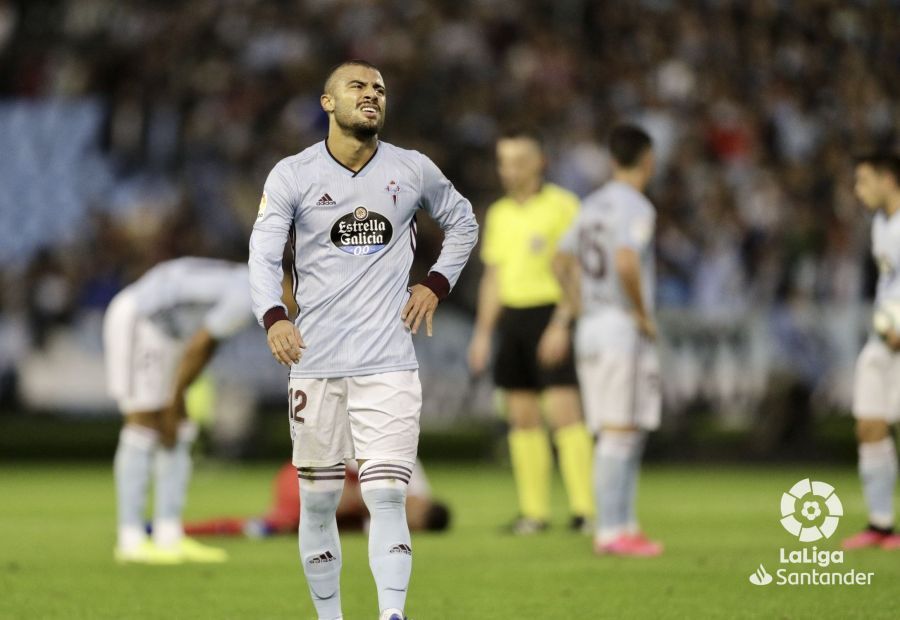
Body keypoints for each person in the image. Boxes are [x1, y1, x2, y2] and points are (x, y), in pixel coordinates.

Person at [248, 59, 478, 620]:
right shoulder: (293, 174)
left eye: (379, 88)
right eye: (358, 87)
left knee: (387, 495)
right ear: (328, 103)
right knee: (320, 500)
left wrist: (435, 282)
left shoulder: (412, 169)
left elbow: (464, 220)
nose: (372, 94)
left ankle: (392, 615)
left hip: (388, 364)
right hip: (316, 362)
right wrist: (275, 316)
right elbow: (262, 251)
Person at [467, 129, 594, 535]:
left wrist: (562, 322)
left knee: (564, 412)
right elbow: (494, 276)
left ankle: (585, 510)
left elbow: (576, 272)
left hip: (551, 312)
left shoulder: (563, 206)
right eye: (504, 161)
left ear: (540, 162)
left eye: (519, 161)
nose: (510, 170)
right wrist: (484, 333)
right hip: (514, 319)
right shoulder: (501, 213)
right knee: (522, 417)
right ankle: (534, 513)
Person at [552, 124, 664, 556]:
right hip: (619, 326)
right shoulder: (636, 206)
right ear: (648, 159)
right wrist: (640, 312)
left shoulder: (591, 204)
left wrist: (577, 302)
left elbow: (560, 259)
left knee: (621, 430)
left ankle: (625, 524)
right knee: (619, 433)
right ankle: (611, 531)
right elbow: (625, 260)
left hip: (591, 326)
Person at [105, 257, 253, 564]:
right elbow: (202, 344)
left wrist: (177, 396)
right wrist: (174, 395)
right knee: (143, 421)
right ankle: (130, 539)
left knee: (179, 425)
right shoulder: (250, 293)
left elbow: (205, 345)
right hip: (140, 317)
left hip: (169, 330)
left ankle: (168, 534)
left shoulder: (245, 280)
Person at [842, 153, 900, 550]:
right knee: (869, 425)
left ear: (887, 178)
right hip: (884, 336)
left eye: (863, 181)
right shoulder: (881, 224)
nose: (857, 190)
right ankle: (880, 524)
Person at [183, 459, 451, 537]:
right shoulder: (405, 471)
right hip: (306, 476)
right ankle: (181, 528)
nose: (407, 516)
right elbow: (344, 460)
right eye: (413, 514)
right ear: (422, 500)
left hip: (319, 503)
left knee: (274, 527)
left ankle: (190, 529)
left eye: (412, 524)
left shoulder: (396, 518)